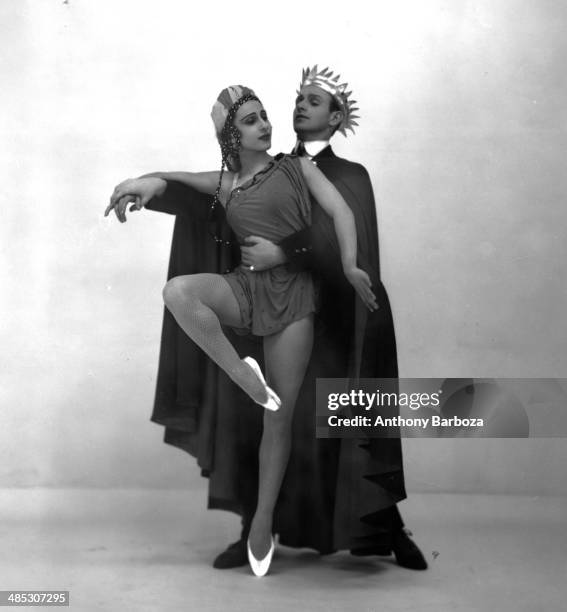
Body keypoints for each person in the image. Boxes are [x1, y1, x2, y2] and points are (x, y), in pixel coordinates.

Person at [109, 66, 427, 571]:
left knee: (343, 421)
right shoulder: (262, 167)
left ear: (337, 117)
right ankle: (256, 526)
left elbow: (343, 229)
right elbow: (198, 189)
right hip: (255, 304)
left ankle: (381, 527)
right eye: (296, 99)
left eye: (314, 101)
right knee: (256, 419)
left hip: (328, 318)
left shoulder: (342, 174)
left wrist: (288, 253)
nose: (298, 108)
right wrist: (148, 181)